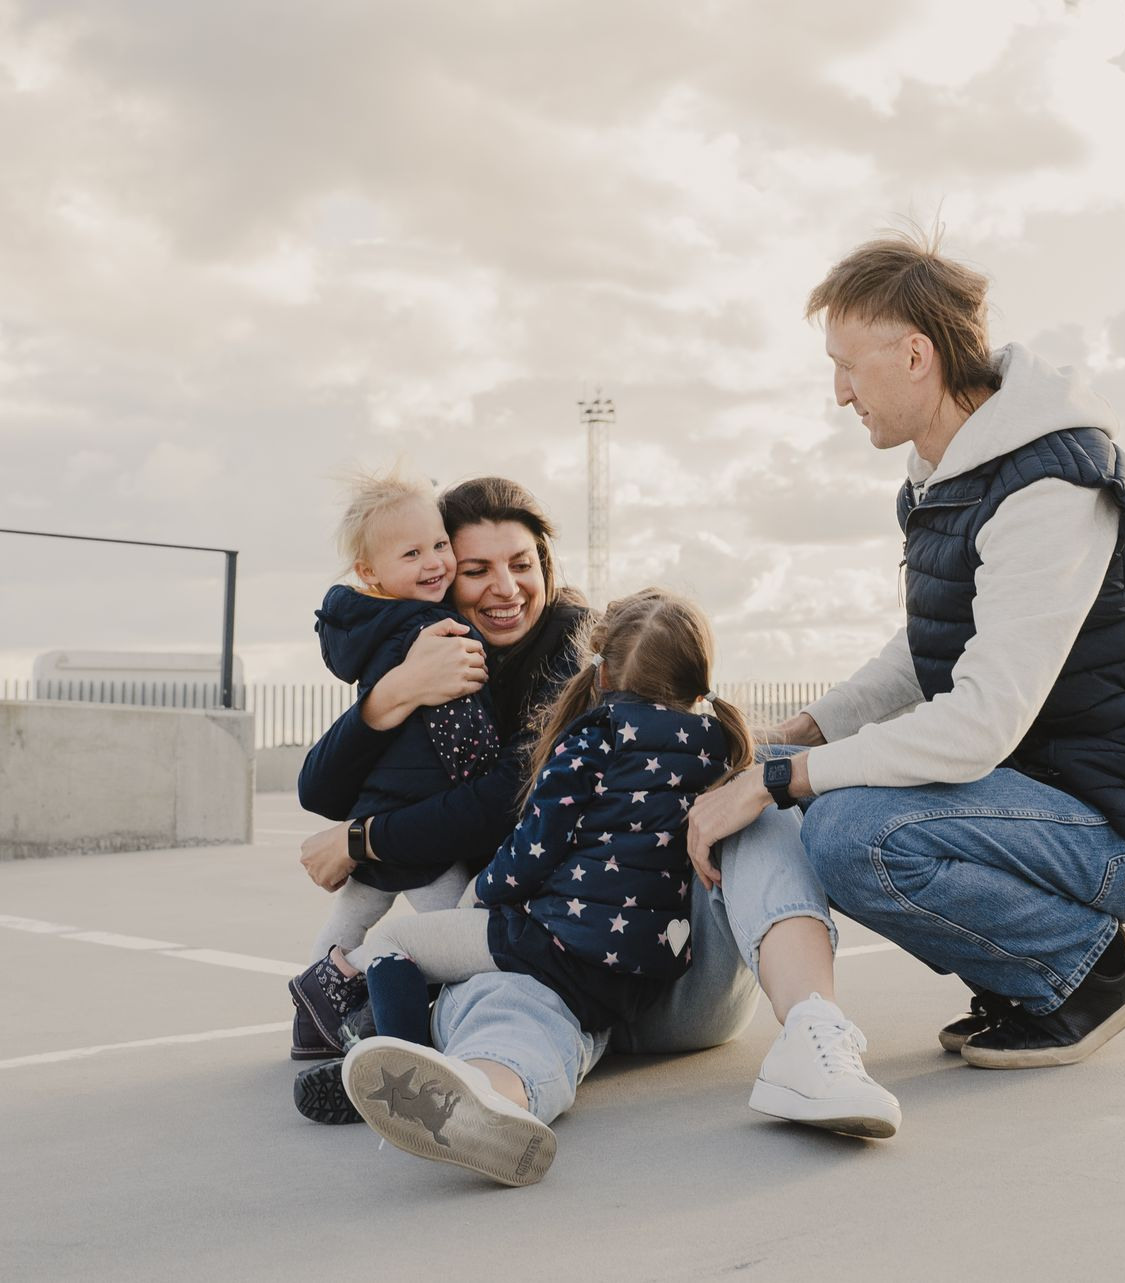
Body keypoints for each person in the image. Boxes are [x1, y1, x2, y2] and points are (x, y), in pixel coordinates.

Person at [687, 232, 1125, 1068]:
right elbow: (922, 652)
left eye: (849, 365)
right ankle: (1031, 975)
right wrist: (802, 733)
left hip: (1110, 828)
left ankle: (1086, 971)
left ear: (917, 354)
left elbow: (977, 722)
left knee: (850, 830)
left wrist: (780, 778)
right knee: (825, 796)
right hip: (1030, 800)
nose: (839, 393)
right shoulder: (946, 472)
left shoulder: (1048, 485)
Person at [291, 477, 901, 1176]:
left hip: (678, 976)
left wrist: (365, 840)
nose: (505, 587)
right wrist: (397, 690)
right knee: (500, 998)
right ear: (440, 580)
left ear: (547, 567)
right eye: (477, 568)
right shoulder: (434, 658)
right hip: (553, 980)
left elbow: (500, 803)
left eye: (521, 563)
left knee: (747, 797)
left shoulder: (581, 659)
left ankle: (815, 1034)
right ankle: (487, 1097)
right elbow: (321, 787)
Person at [330, 591, 753, 1186]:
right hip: (640, 975)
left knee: (398, 943)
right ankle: (493, 1095)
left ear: (601, 671)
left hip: (554, 944)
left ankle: (402, 1056)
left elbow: (535, 849)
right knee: (528, 1023)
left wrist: (482, 892)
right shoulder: (720, 748)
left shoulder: (592, 740)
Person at [286, 471, 503, 1060]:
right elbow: (460, 724)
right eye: (412, 553)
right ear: (370, 572)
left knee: (348, 918)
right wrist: (482, 775)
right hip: (419, 822)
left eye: (439, 545)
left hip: (376, 808)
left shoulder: (362, 629)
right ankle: (454, 1026)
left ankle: (313, 1010)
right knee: (463, 930)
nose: (435, 563)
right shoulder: (430, 628)